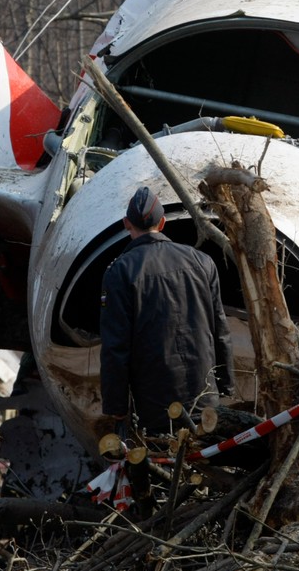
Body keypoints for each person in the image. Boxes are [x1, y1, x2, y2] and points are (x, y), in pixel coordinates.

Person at [99, 186, 234, 434]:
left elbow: (115, 347)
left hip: (155, 403)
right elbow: (220, 327)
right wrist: (226, 382)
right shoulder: (201, 261)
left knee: (163, 462)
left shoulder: (119, 272)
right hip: (204, 391)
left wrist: (116, 406)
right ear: (162, 223)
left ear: (126, 223)